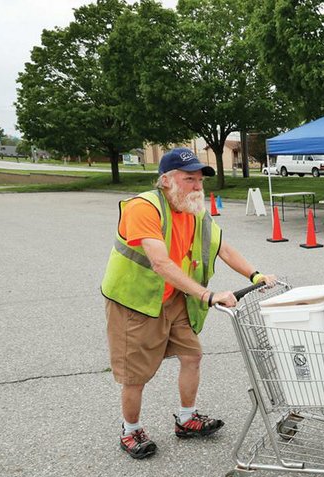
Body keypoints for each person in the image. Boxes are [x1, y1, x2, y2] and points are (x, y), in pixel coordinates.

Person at [101, 147, 276, 459]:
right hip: (136, 302)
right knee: (135, 375)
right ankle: (130, 430)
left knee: (192, 355)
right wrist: (208, 295)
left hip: (173, 299)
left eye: (200, 180)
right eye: (189, 179)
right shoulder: (144, 208)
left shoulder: (195, 212)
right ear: (166, 180)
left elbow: (224, 249)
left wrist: (256, 274)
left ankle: (186, 419)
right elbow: (160, 264)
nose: (198, 186)